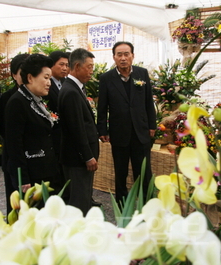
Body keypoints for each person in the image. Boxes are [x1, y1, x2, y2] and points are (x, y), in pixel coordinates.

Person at [97, 41, 156, 205]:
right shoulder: (106, 78)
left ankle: (148, 204)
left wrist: (152, 125)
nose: (123, 58)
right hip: (119, 133)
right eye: (119, 55)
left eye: (126, 54)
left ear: (132, 56)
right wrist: (102, 129)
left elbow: (148, 102)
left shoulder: (142, 74)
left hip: (140, 132)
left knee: (144, 172)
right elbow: (102, 106)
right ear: (114, 57)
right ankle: (123, 206)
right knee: (121, 172)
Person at [4, 53, 59, 198]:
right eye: (46, 78)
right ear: (30, 78)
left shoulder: (36, 100)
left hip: (45, 169)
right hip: (31, 174)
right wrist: (22, 178)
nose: (49, 83)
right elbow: (14, 144)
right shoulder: (17, 102)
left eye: (50, 78)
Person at [58, 48, 99, 215]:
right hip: (77, 159)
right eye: (89, 67)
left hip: (78, 157)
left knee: (83, 196)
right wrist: (88, 156)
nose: (91, 71)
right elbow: (77, 129)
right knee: (79, 200)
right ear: (77, 66)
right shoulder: (71, 92)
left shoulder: (76, 88)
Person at [0, 53, 29, 214]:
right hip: (13, 156)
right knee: (15, 202)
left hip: (34, 159)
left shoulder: (40, 95)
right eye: (21, 72)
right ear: (14, 74)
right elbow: (1, 128)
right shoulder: (7, 98)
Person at [43, 51, 69, 202]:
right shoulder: (47, 84)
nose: (65, 68)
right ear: (51, 65)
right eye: (61, 64)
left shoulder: (66, 83)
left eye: (67, 65)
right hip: (53, 135)